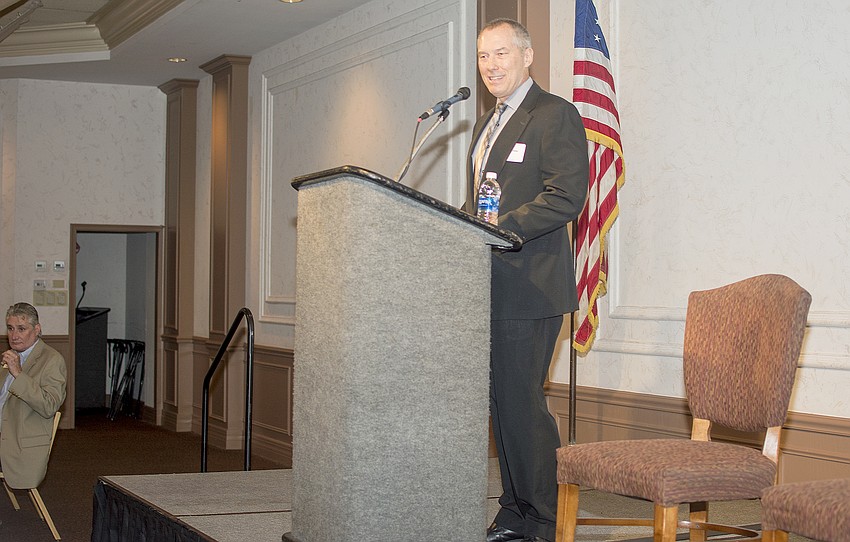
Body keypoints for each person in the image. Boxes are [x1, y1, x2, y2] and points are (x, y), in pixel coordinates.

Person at [463, 19, 589, 542]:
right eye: (483, 57)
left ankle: (543, 517)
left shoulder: (553, 114)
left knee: (521, 401)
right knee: (501, 402)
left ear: (528, 55)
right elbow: (480, 203)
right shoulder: (484, 125)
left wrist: (499, 228)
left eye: (501, 54)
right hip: (487, 285)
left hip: (530, 284)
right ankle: (514, 510)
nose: (491, 66)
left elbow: (566, 196)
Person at [0, 303, 67, 491]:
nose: (14, 335)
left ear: (36, 330)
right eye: (10, 328)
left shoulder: (52, 360)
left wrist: (19, 374)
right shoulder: (11, 356)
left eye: (22, 329)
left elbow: (49, 405)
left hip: (18, 441)